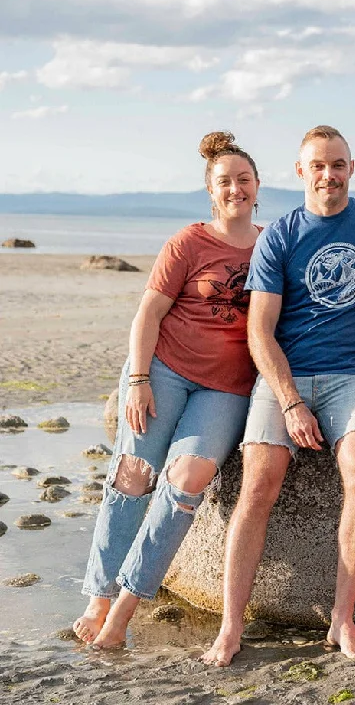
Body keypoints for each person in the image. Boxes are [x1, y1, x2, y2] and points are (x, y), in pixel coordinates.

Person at [201, 125, 355, 667]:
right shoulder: (282, 234)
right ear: (301, 173)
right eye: (318, 166)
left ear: (351, 167)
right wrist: (290, 400)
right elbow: (259, 332)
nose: (329, 175)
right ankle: (230, 625)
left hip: (350, 376)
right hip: (284, 377)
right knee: (258, 485)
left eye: (337, 164)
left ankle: (342, 621)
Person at [73, 132, 262, 648]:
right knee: (134, 475)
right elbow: (149, 313)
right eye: (224, 181)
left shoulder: (272, 243)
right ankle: (100, 593)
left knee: (187, 479)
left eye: (243, 179)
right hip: (164, 369)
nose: (235, 189)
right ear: (210, 190)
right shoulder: (188, 242)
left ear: (258, 186)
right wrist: (136, 381)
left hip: (226, 388)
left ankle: (129, 602)